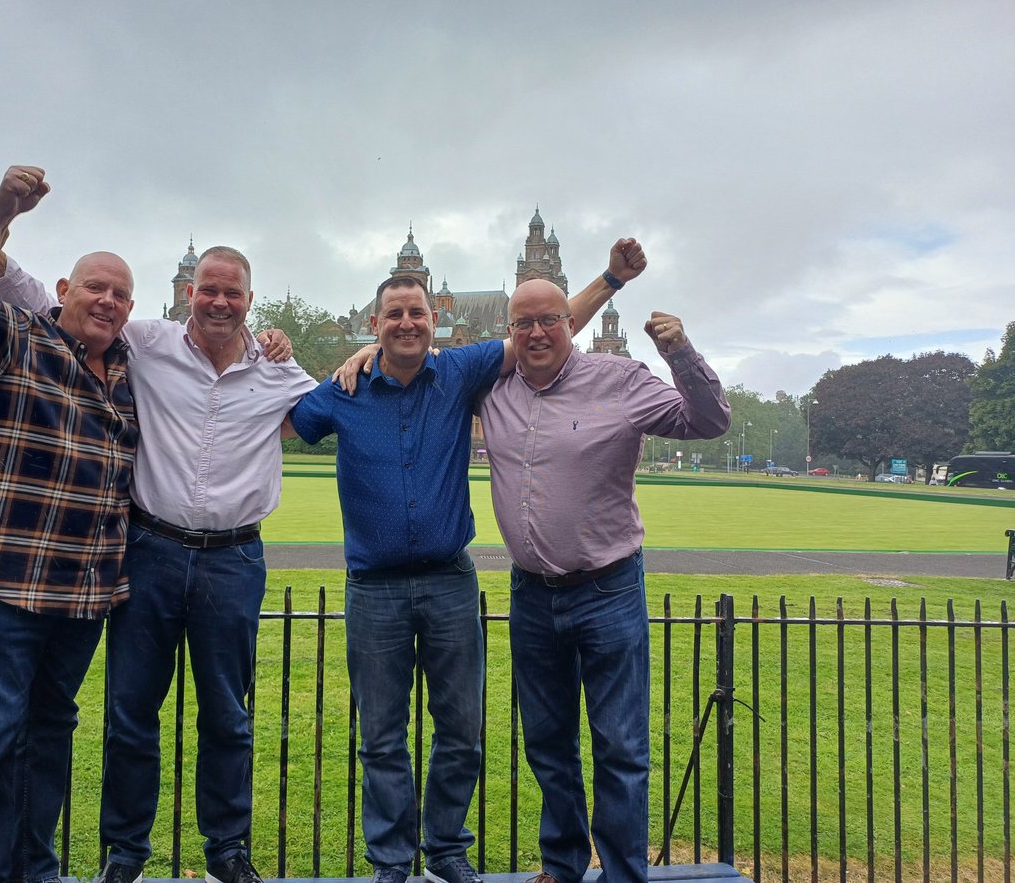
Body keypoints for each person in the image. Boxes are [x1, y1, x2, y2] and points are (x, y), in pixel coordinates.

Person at [287, 240, 646, 883]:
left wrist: (612, 279)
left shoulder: (458, 370)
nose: (406, 322)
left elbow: (551, 331)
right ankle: (393, 859)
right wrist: (275, 351)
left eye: (416, 312)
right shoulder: (343, 389)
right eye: (393, 314)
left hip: (449, 580)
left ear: (432, 318)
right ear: (374, 324)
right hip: (373, 587)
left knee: (461, 733)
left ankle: (447, 848)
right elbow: (279, 416)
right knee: (382, 737)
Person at [0, 232, 312, 883]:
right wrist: (0, 263)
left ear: (251, 301)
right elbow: (64, 313)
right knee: (131, 713)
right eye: (209, 289)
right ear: (190, 293)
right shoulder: (149, 341)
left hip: (233, 559)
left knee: (228, 715)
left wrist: (363, 351)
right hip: (150, 548)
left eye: (233, 292)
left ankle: (227, 850)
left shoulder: (280, 371)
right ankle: (125, 852)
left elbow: (346, 405)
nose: (219, 301)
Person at [478, 277, 731, 883]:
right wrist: (362, 352)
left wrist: (680, 352)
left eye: (551, 320)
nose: (537, 332)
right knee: (547, 742)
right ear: (509, 332)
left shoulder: (620, 380)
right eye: (523, 323)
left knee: (619, 747)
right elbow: (411, 368)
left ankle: (622, 874)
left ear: (573, 322)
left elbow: (710, 420)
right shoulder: (491, 387)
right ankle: (562, 866)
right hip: (531, 591)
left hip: (608, 589)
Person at [0, 165, 139, 882]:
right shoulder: (17, 337)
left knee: (47, 741)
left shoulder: (128, 374)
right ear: (62, 292)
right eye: (94, 287)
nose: (107, 301)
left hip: (81, 597)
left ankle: (35, 871)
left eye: (120, 294)